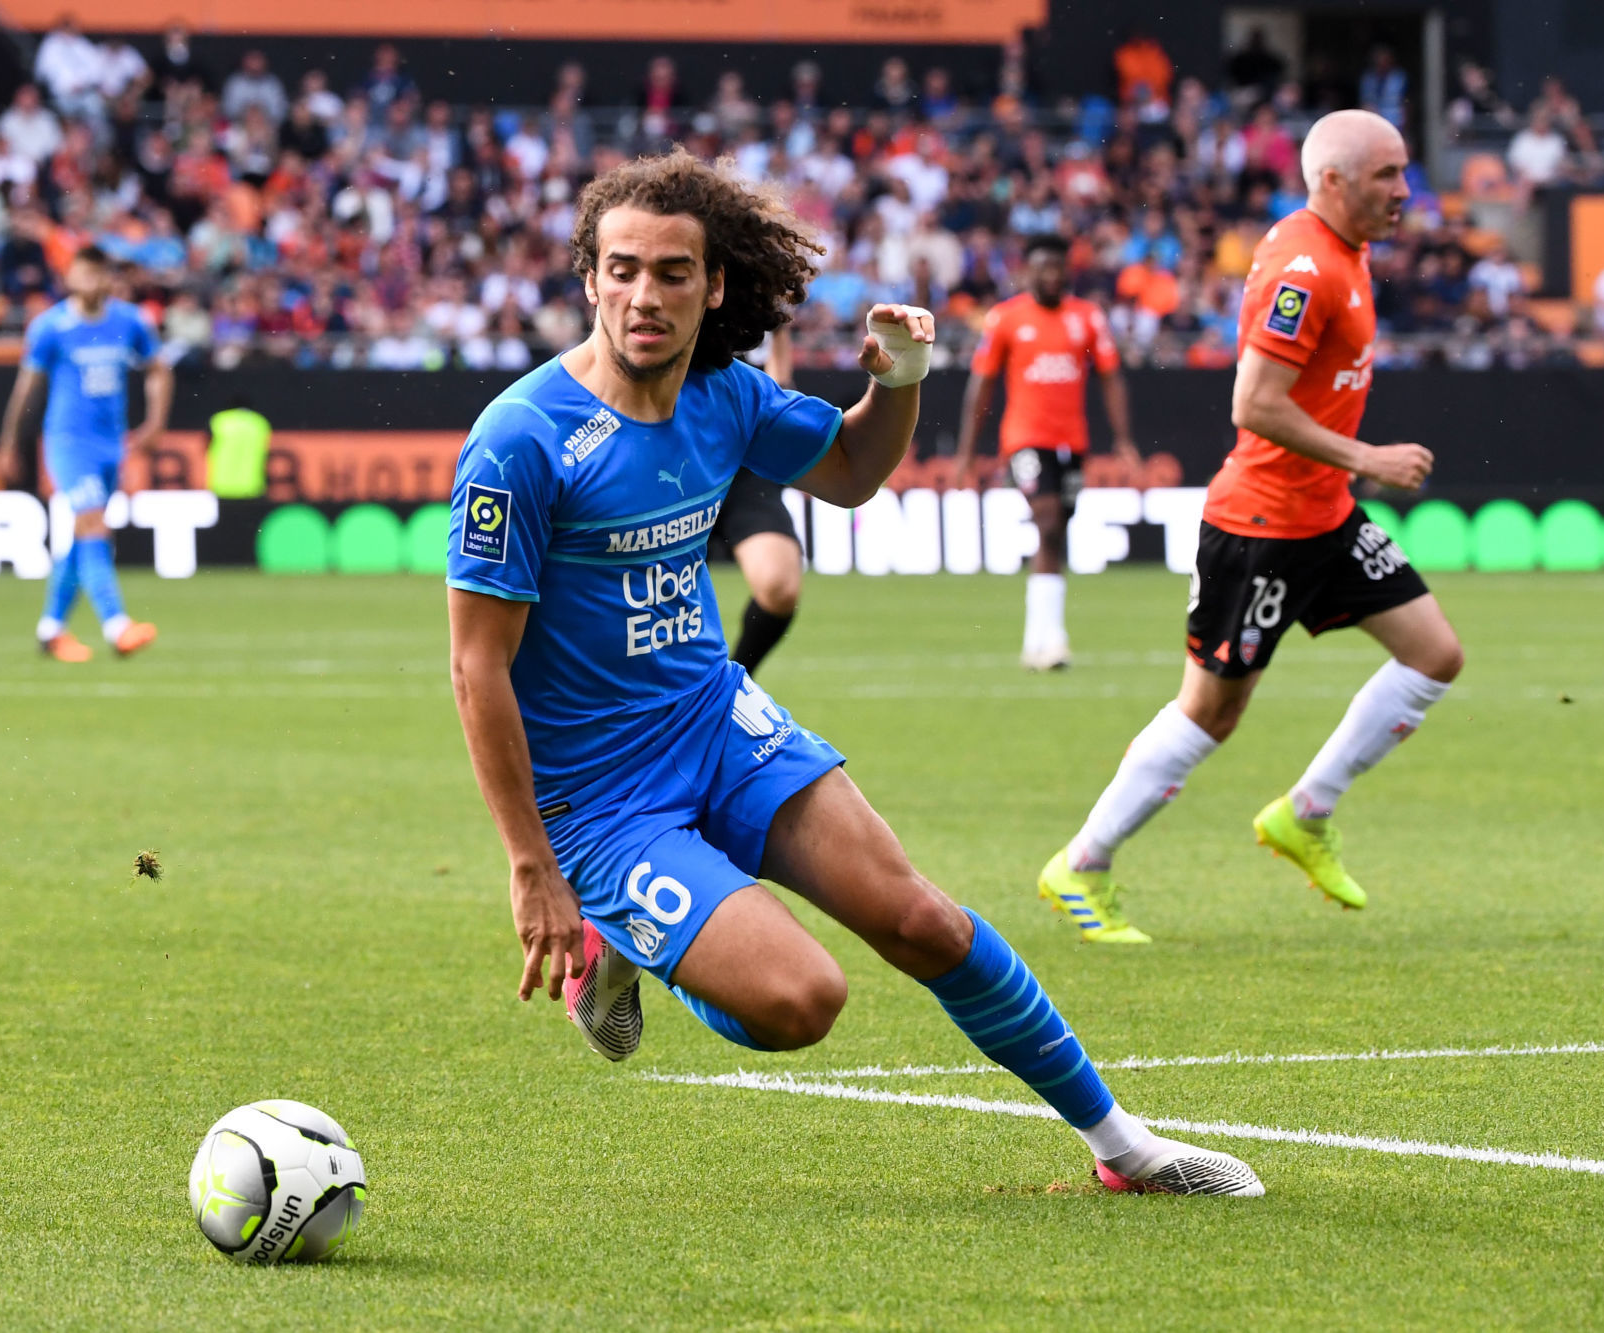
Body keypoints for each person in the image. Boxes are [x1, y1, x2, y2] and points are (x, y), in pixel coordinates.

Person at [444, 151, 1263, 1196]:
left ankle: (1124, 1147)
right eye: (623, 270)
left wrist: (900, 382)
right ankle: (626, 940)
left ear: (715, 285)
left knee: (923, 920)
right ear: (589, 278)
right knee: (801, 1000)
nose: (644, 295)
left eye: (672, 272)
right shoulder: (520, 439)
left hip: (715, 724)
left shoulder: (724, 393)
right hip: (601, 800)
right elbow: (477, 667)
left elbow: (850, 469)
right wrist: (531, 865)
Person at [1037, 110, 1462, 944]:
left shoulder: (1347, 248)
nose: (1405, 191)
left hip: (1326, 514)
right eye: (1387, 175)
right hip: (1262, 525)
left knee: (1434, 653)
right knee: (1211, 711)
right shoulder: (1306, 266)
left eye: (1404, 172)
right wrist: (1369, 457)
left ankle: (1307, 811)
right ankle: (1081, 862)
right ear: (1333, 181)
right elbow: (1254, 403)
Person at [951, 234, 1136, 669]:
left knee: (1055, 532)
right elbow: (982, 384)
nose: (1052, 275)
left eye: (1058, 267)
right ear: (1027, 272)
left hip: (1072, 442)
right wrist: (966, 452)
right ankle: (1054, 638)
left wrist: (1124, 439)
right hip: (1024, 440)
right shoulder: (1005, 319)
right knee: (1048, 519)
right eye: (1043, 268)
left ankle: (1036, 642)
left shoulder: (1087, 318)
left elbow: (1110, 377)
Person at [0, 245, 172, 662]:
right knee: (93, 525)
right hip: (69, 443)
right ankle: (117, 625)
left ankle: (51, 629)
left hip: (112, 443)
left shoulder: (130, 321)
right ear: (70, 277)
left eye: (97, 274)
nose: (90, 282)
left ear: (108, 279)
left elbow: (159, 371)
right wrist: (9, 442)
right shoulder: (50, 327)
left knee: (84, 535)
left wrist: (156, 423)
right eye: (83, 273)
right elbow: (27, 387)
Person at [709, 322, 805, 677]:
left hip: (748, 474)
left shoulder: (760, 313)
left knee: (780, 586)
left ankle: (737, 683)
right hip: (682, 460)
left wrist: (780, 328)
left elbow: (778, 390)